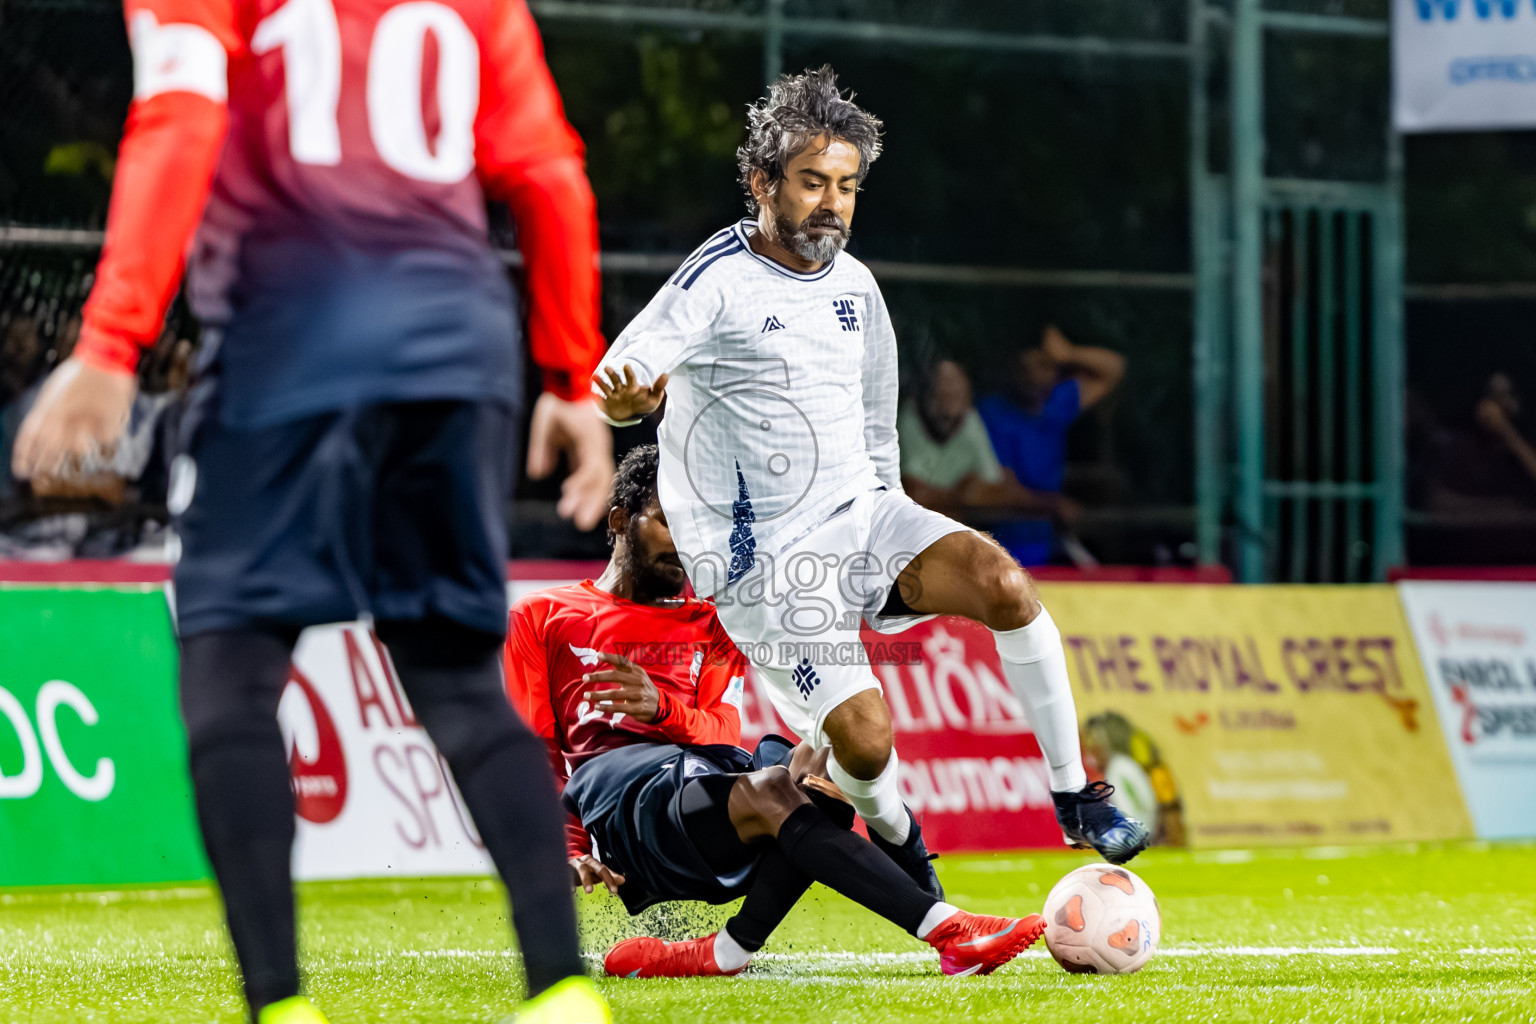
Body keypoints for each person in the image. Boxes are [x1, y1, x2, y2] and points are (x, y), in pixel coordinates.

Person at [10, 1, 614, 1021]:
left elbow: (180, 118)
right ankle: (561, 993)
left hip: (287, 343)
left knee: (228, 661)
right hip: (457, 356)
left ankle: (281, 1006)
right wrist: (569, 366)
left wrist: (111, 343)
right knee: (458, 681)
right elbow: (549, 172)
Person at [591, 66, 1149, 902]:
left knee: (1003, 582)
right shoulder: (716, 278)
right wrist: (631, 395)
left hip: (861, 513)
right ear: (762, 184)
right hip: (761, 568)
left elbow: (876, 416)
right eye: (812, 182)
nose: (831, 203)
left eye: (846, 186)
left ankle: (1074, 794)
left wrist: (894, 519)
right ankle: (900, 837)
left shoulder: (856, 288)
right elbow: (627, 366)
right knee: (864, 741)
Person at [505, 445, 1046, 979]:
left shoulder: (715, 620)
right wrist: (568, 847)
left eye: (697, 529)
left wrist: (661, 707)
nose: (688, 546)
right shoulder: (544, 614)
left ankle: (726, 951)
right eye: (670, 524)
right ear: (621, 520)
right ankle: (949, 930)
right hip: (621, 800)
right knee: (773, 785)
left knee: (825, 765)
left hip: (696, 789)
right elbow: (535, 752)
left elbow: (721, 728)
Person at [977, 325, 1125, 566]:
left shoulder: (1056, 402)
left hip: (1054, 541)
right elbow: (1002, 490)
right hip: (1005, 547)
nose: (1033, 376)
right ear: (1011, 371)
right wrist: (1055, 505)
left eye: (1044, 366)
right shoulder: (992, 414)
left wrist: (1069, 353)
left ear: (1056, 372)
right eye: (1024, 368)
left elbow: (1114, 369)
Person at [898, 357, 1066, 523]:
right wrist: (963, 494)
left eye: (955, 381)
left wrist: (961, 496)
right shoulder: (910, 418)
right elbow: (913, 494)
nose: (949, 388)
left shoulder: (970, 419)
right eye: (942, 381)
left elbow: (994, 487)